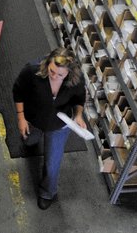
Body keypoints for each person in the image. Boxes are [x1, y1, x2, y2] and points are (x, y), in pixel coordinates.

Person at [12, 47, 86, 210]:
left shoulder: (76, 80)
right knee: (29, 140)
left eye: (60, 75)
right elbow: (18, 92)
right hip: (34, 119)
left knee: (52, 163)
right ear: (47, 64)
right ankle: (31, 138)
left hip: (59, 124)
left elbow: (80, 99)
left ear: (69, 73)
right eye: (52, 71)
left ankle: (47, 192)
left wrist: (79, 115)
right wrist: (21, 118)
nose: (54, 76)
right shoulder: (32, 70)